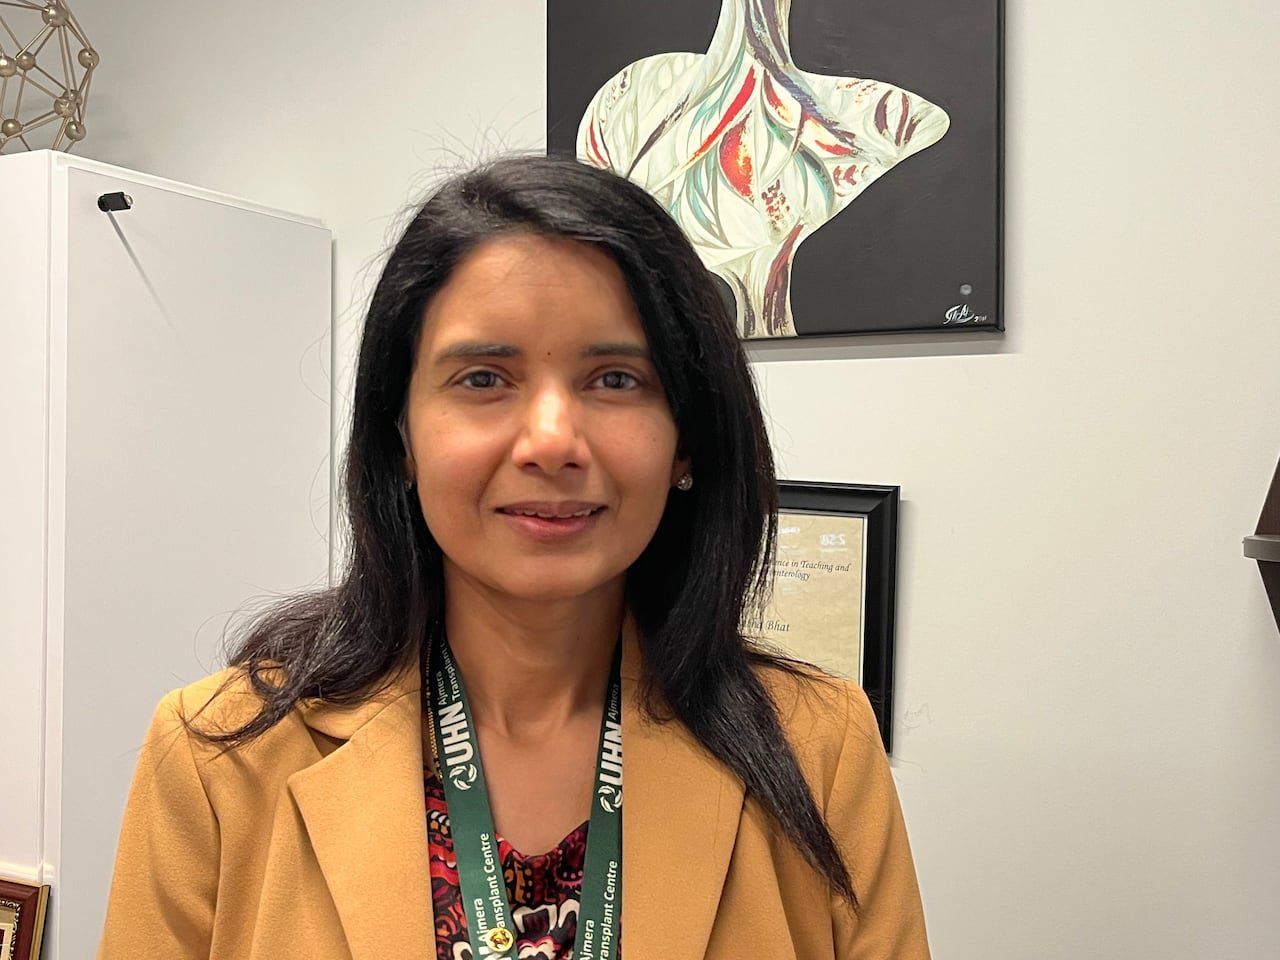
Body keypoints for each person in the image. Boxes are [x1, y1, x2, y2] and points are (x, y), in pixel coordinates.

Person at [98, 154, 930, 959]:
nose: (551, 441)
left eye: (614, 379)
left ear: (687, 442)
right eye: (484, 379)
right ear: (401, 438)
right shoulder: (219, 755)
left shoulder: (819, 748)